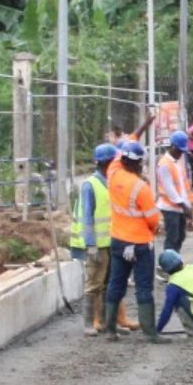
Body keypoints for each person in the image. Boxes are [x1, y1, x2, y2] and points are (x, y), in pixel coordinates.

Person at [101, 138, 162, 340]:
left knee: (115, 284)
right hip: (141, 243)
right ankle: (150, 333)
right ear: (137, 163)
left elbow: (118, 156)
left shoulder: (112, 174)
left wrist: (131, 140)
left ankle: (110, 329)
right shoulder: (141, 187)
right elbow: (153, 219)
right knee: (144, 287)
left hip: (118, 241)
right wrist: (154, 229)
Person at [67, 142, 117, 334]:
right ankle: (88, 323)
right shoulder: (91, 185)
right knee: (93, 284)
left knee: (107, 283)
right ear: (107, 163)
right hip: (97, 245)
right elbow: (87, 217)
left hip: (110, 243)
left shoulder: (109, 183)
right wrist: (91, 245)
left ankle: (103, 322)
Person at [156, 129, 193, 251]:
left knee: (180, 236)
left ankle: (174, 260)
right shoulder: (164, 164)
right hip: (170, 207)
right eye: (179, 150)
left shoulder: (177, 162)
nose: (181, 153)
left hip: (180, 207)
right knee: (172, 237)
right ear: (172, 146)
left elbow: (182, 186)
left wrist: (188, 204)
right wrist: (184, 206)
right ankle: (166, 264)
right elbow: (169, 188)